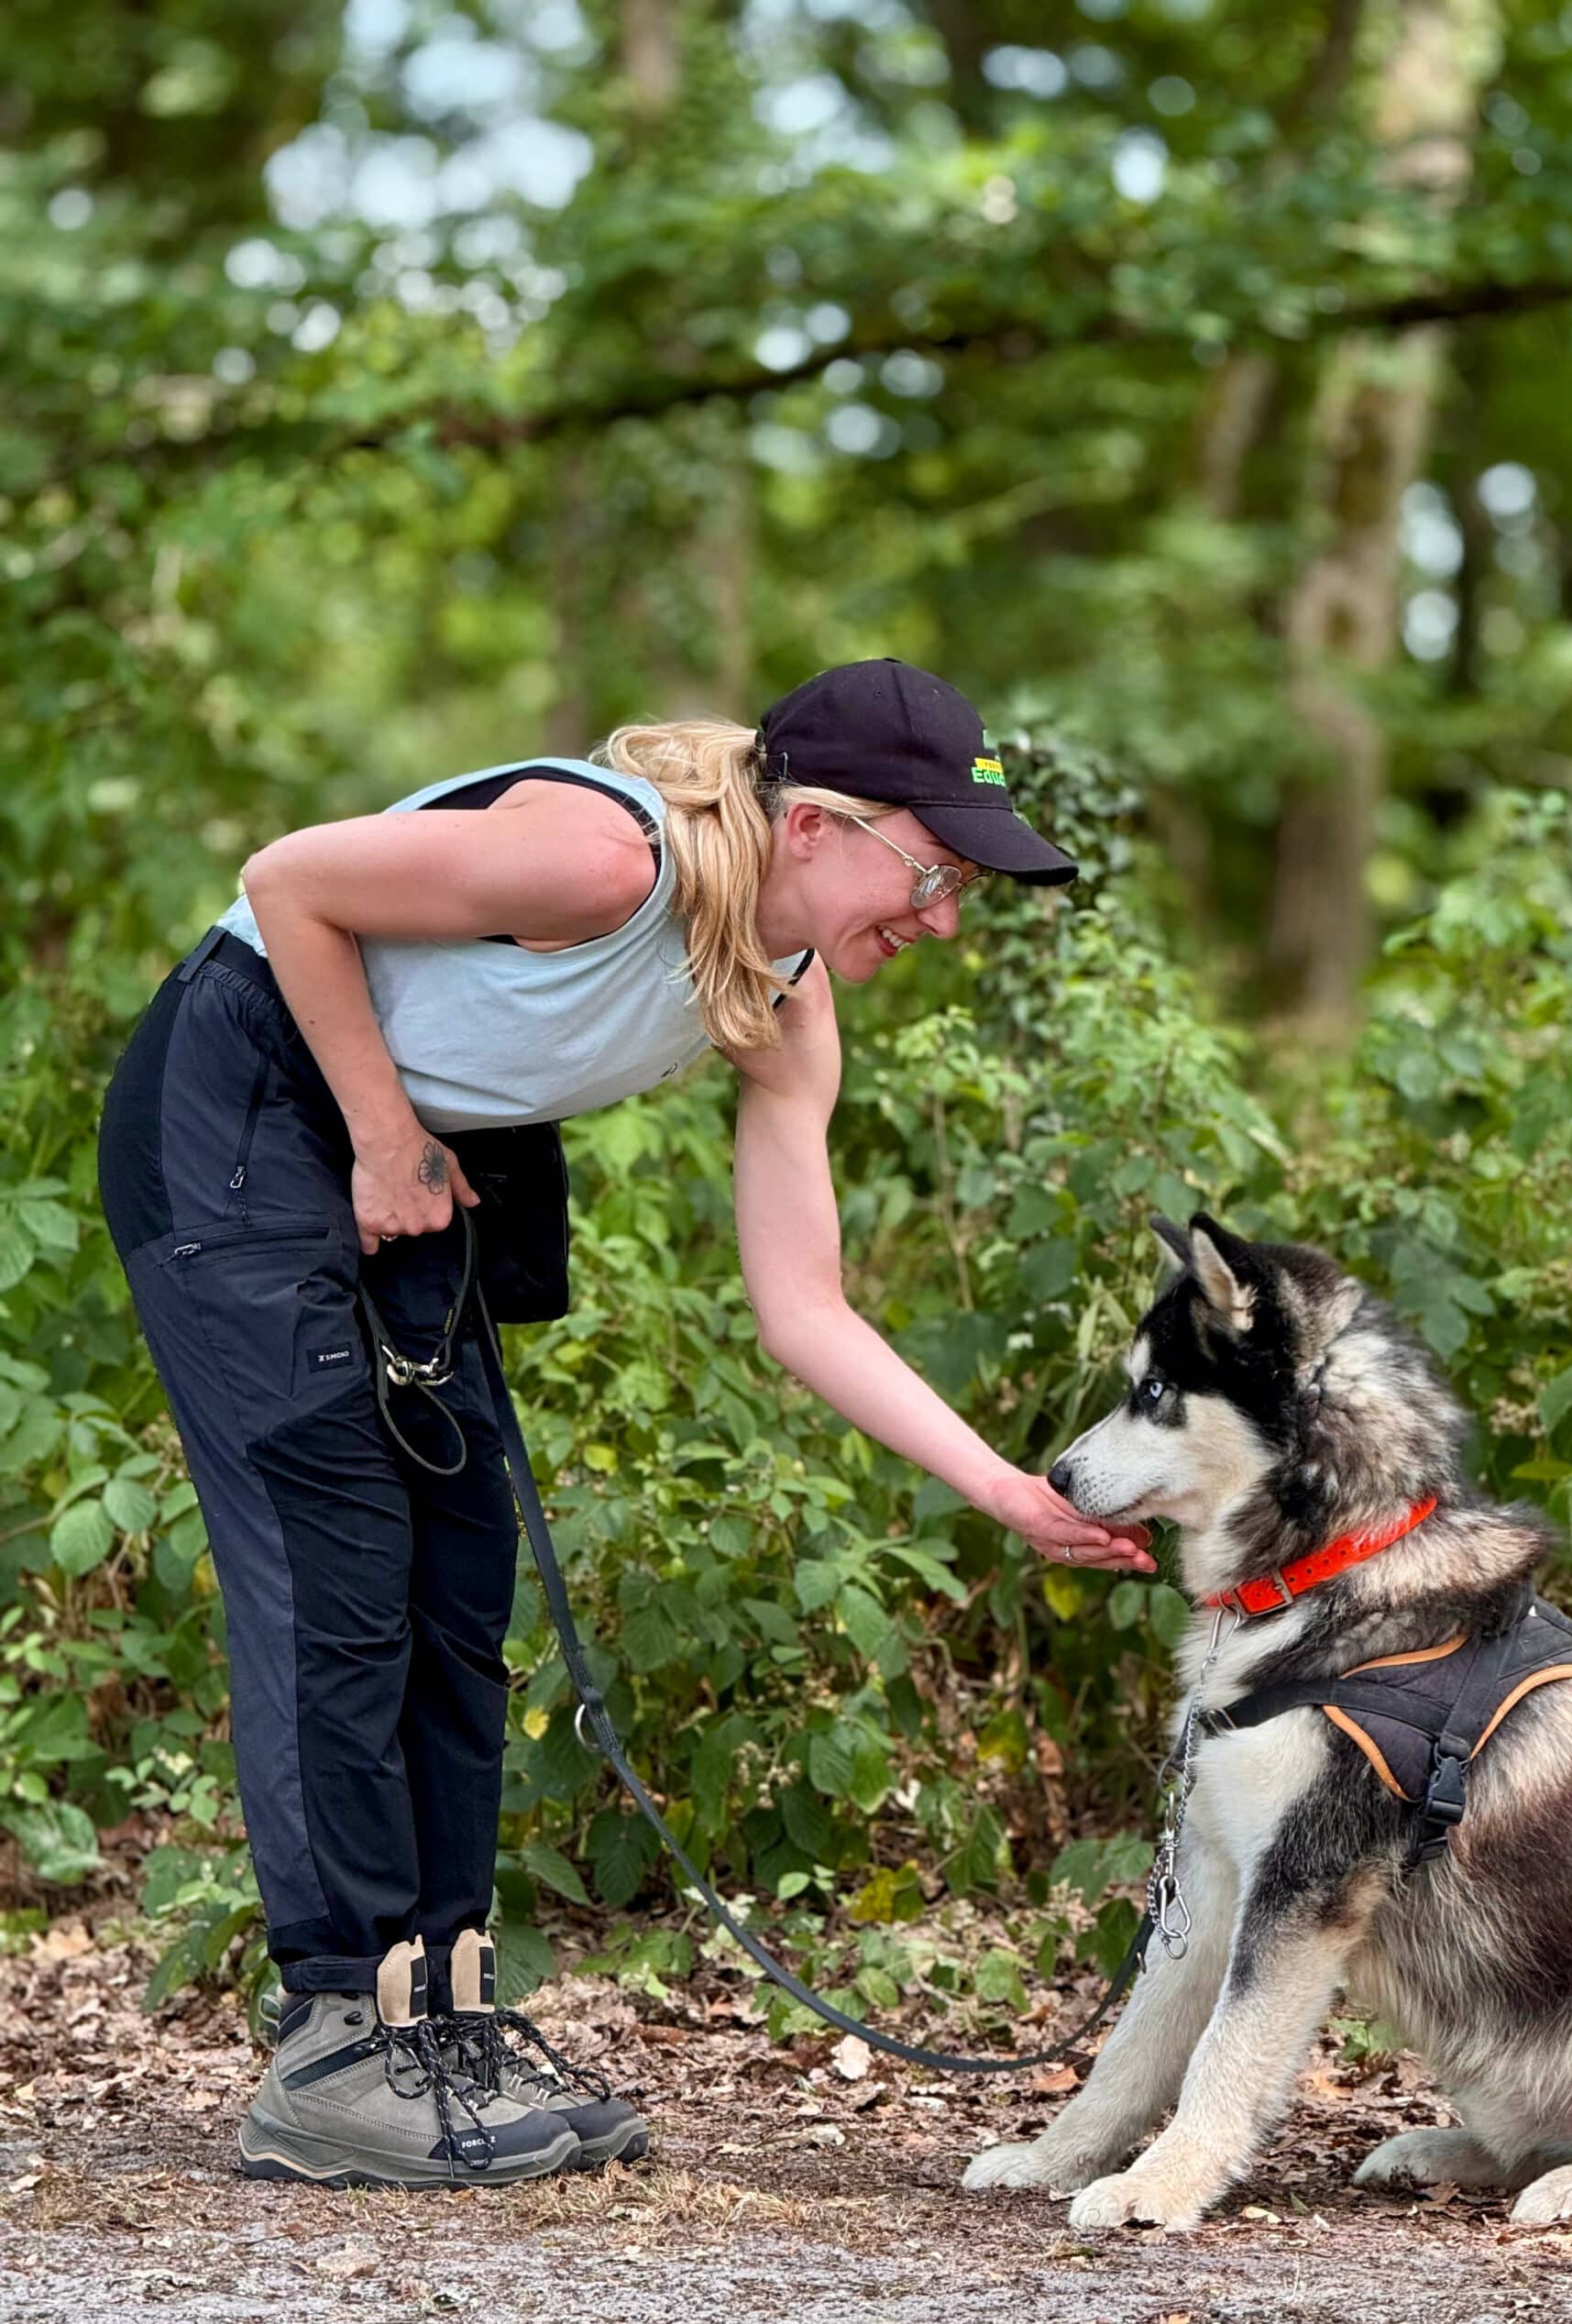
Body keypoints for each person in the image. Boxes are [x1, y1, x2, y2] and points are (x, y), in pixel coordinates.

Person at [96, 656, 1153, 2191]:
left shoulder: (784, 1008)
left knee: (457, 1587)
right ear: (816, 830)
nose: (939, 917)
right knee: (338, 1577)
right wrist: (386, 1136)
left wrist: (1003, 1487)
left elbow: (806, 1308)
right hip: (243, 1105)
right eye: (927, 874)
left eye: (961, 887)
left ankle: (434, 2014)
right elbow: (287, 886)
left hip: (415, 1139)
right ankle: (333, 2044)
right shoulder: (602, 857)